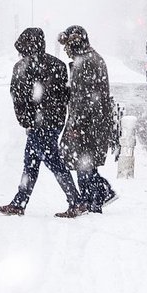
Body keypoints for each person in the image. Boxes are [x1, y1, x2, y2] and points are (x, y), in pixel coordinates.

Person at [0, 28, 84, 218]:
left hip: (38, 124)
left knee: (53, 162)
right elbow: (66, 95)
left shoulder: (22, 67)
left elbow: (18, 98)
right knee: (31, 162)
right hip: (53, 122)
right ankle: (19, 202)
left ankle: (76, 201)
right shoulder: (58, 65)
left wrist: (27, 121)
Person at [58, 25, 117, 212]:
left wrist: (77, 124)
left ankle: (90, 199)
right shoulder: (91, 58)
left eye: (67, 44)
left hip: (88, 122)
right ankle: (97, 197)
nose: (66, 50)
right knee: (86, 162)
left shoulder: (85, 61)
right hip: (95, 121)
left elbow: (84, 98)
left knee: (83, 162)